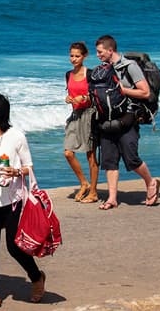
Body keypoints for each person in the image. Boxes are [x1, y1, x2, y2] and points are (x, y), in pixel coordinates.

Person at [0, 93, 45, 310]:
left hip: (13, 200)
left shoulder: (17, 136)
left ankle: (36, 277)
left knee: (14, 246)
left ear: (0, 112)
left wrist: (16, 171)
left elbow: (29, 167)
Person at [93, 35, 160, 210]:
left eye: (100, 52)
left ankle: (150, 182)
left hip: (128, 117)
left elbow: (145, 93)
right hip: (107, 118)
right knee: (109, 160)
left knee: (131, 159)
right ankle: (112, 198)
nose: (98, 55)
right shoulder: (102, 69)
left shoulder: (130, 67)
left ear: (110, 50)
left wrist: (122, 90)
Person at [63, 42, 99, 203]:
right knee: (68, 153)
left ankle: (93, 191)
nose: (74, 59)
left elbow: (97, 97)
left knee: (90, 155)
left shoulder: (90, 74)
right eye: (72, 55)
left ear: (84, 56)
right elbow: (70, 93)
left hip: (89, 115)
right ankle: (84, 183)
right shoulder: (68, 74)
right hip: (75, 115)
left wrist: (84, 98)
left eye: (77, 56)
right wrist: (68, 99)